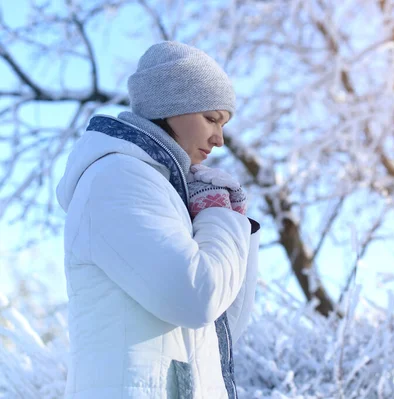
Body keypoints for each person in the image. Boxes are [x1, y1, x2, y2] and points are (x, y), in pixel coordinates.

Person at [56, 41, 260, 399]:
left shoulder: (165, 191)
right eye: (211, 118)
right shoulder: (117, 178)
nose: (219, 139)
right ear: (171, 108)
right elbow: (198, 298)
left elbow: (225, 325)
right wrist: (218, 215)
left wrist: (235, 221)